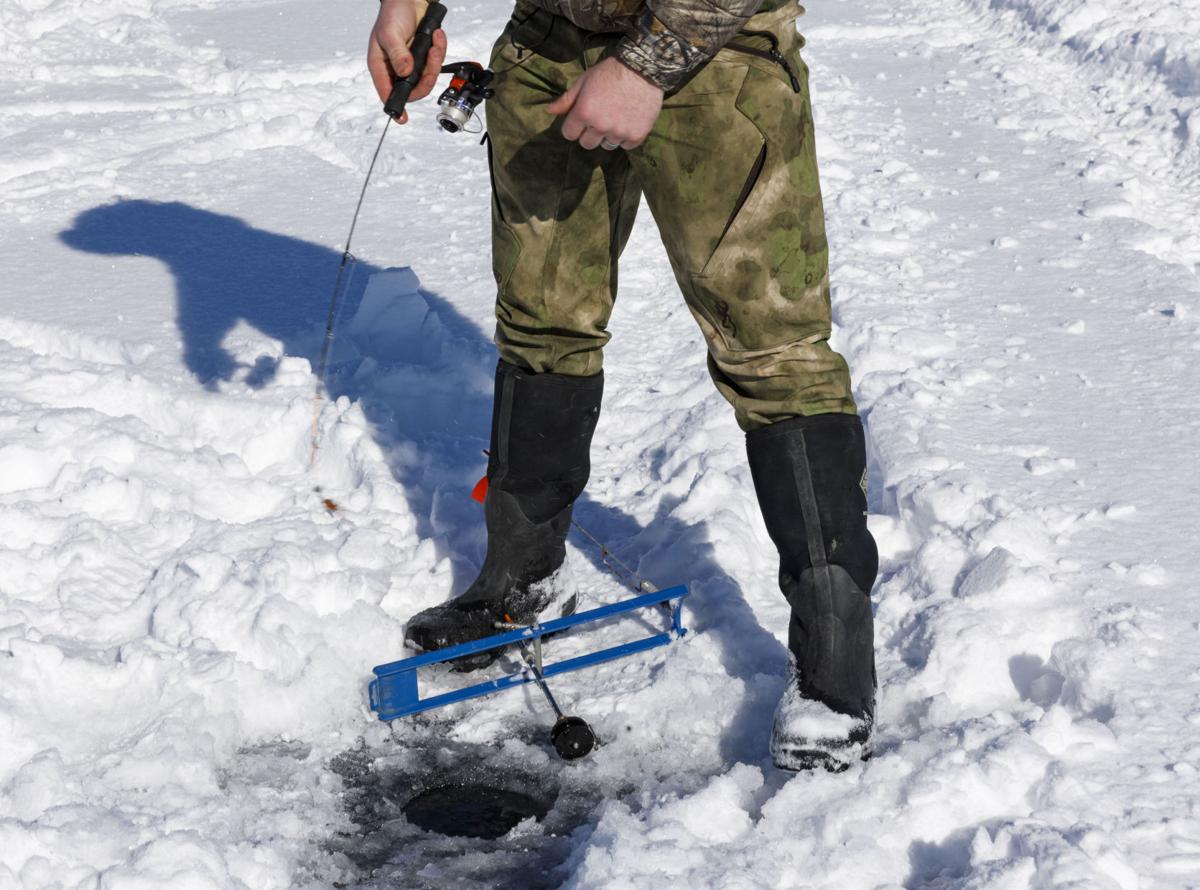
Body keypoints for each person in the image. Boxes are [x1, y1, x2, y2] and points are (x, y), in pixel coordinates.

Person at [367, 0, 878, 772]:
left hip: (714, 55)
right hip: (549, 44)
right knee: (541, 324)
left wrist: (647, 63)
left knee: (773, 352)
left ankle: (835, 656)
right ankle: (521, 577)